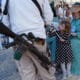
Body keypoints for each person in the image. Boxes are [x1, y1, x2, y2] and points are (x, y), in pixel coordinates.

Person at [1, 0, 55, 80]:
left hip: (18, 42)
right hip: (38, 40)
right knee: (46, 73)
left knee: (27, 75)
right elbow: (48, 19)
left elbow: (6, 23)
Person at [71, 2, 80, 76]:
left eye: (74, 13)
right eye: (72, 13)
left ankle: (77, 73)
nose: (73, 14)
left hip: (77, 42)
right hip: (71, 40)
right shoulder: (73, 20)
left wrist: (77, 34)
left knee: (77, 58)